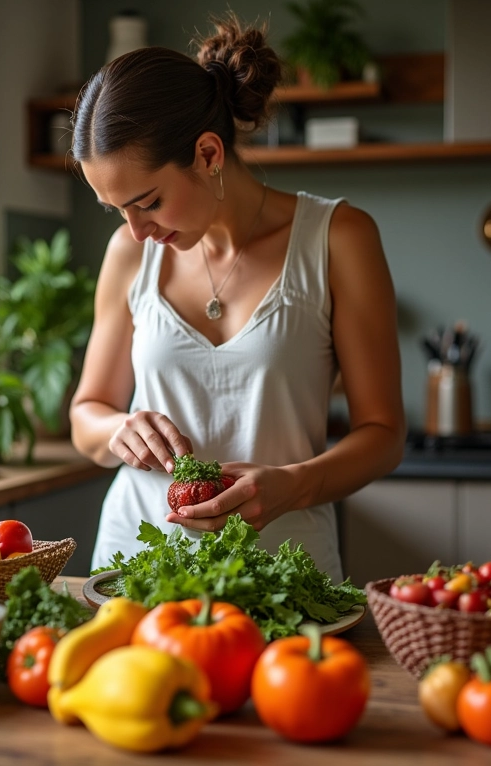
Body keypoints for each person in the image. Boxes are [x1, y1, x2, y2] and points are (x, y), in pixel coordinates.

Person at [69, 14, 406, 583]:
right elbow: (87, 415)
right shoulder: (130, 255)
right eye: (117, 210)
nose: (135, 231)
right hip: (135, 563)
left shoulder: (339, 239)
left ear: (207, 154)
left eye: (148, 202)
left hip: (285, 574)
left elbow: (383, 434)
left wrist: (295, 483)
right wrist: (116, 430)